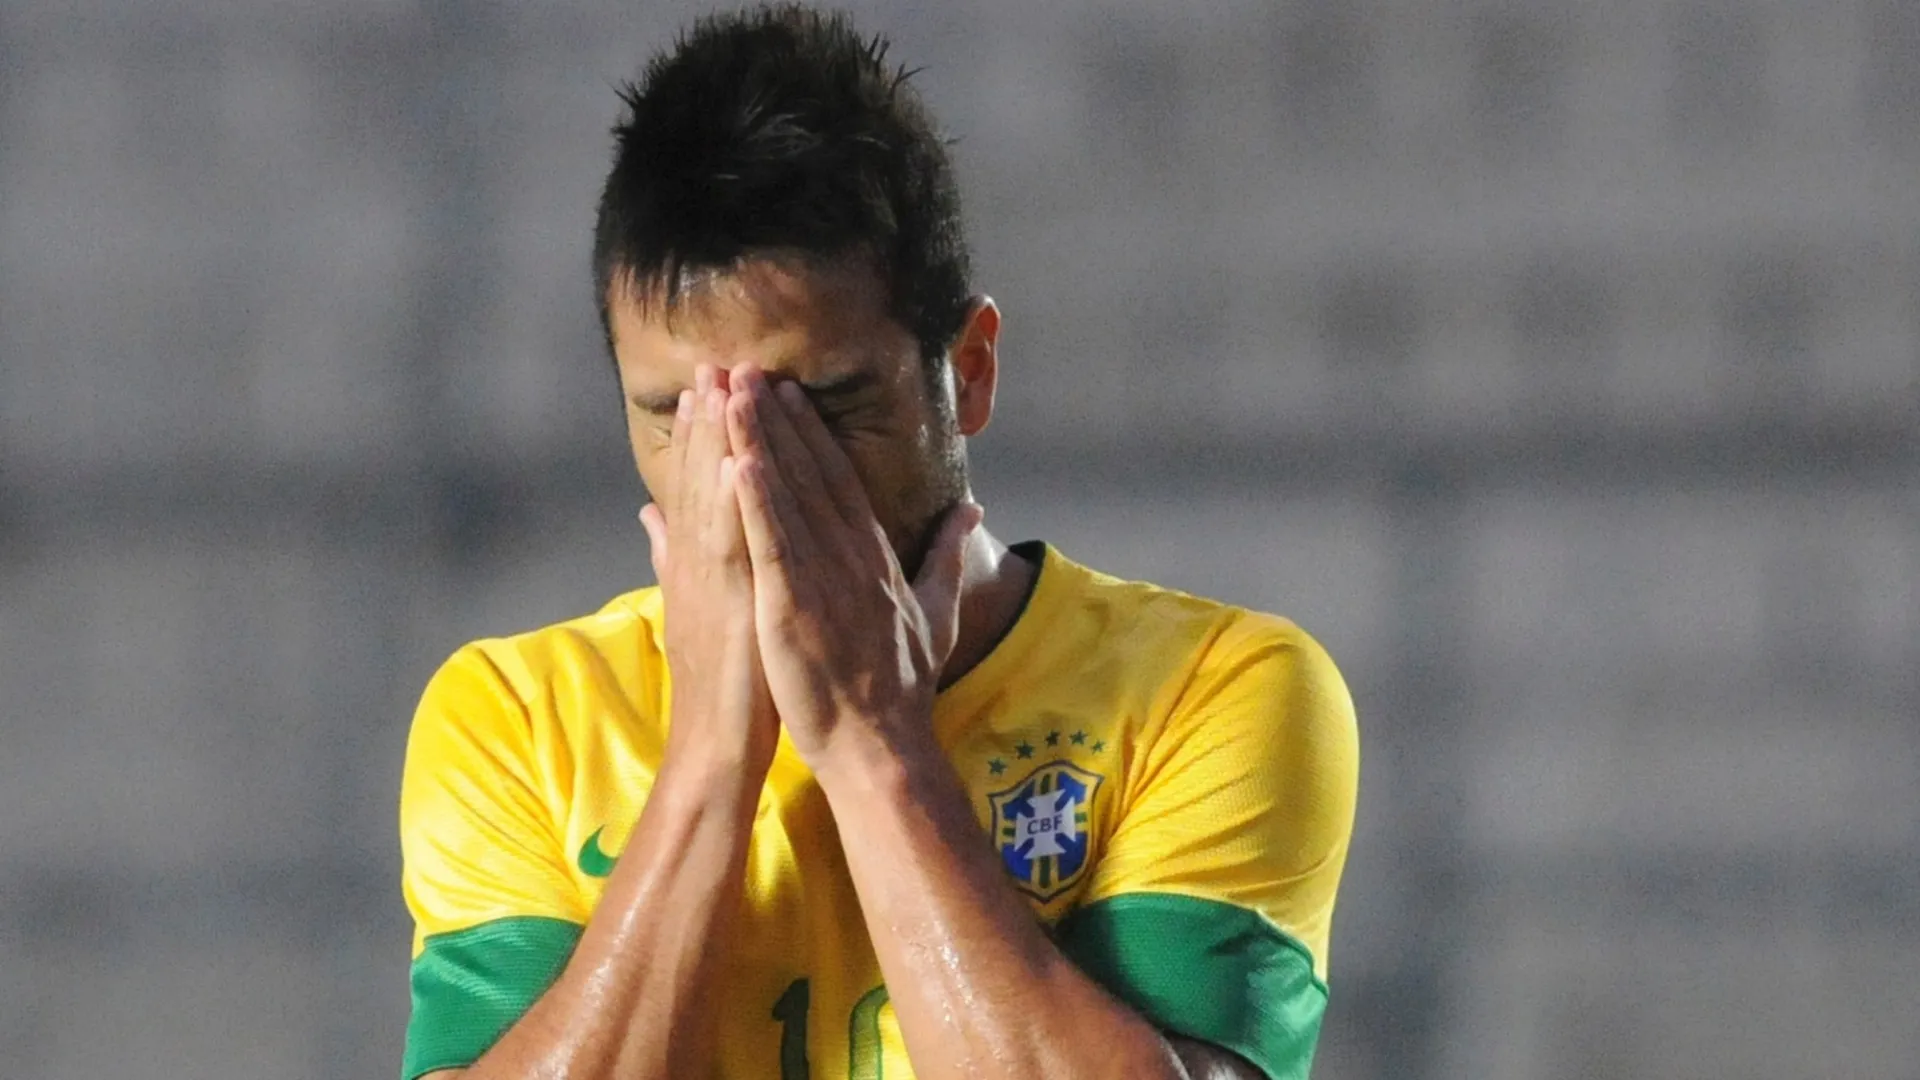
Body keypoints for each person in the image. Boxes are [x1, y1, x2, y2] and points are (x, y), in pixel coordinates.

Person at [397, 6, 1358, 1079]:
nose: (747, 476)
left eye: (826, 407)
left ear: (971, 371)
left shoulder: (1212, 692)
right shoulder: (517, 719)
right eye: (679, 415)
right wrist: (713, 754)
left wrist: (874, 743)